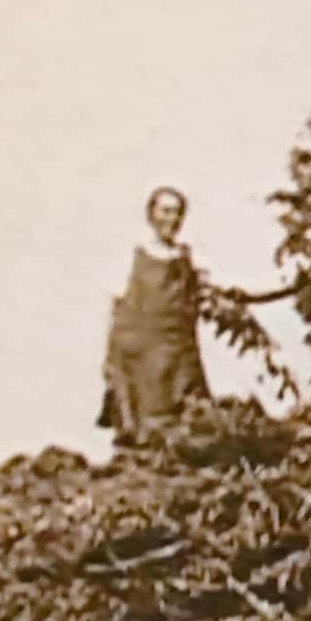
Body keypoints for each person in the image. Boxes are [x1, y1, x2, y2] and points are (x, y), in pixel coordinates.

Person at [98, 185, 212, 442]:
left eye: (177, 212)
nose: (171, 219)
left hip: (179, 353)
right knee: (143, 425)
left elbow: (202, 295)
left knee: (189, 421)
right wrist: (111, 356)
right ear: (151, 215)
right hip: (140, 354)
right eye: (165, 211)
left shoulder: (187, 258)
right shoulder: (132, 254)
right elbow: (114, 303)